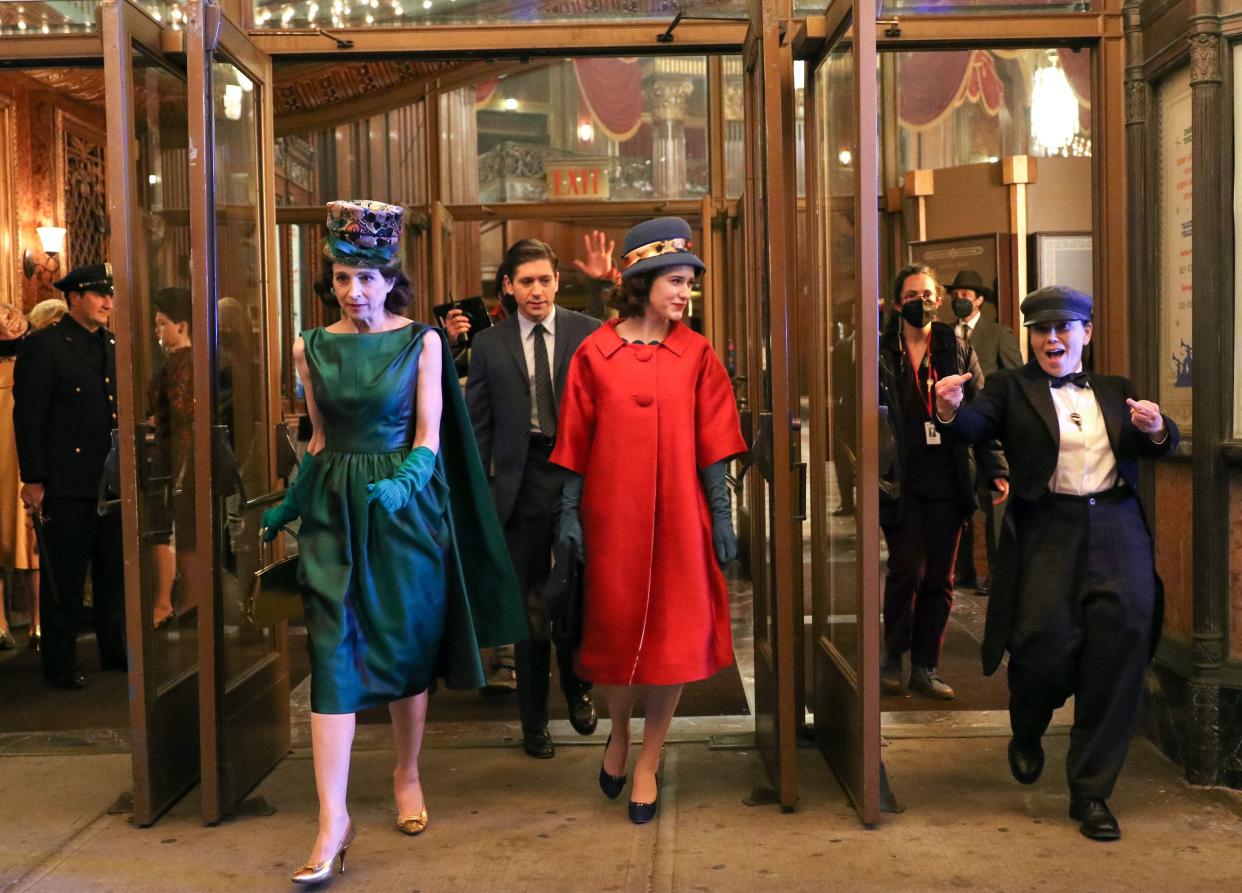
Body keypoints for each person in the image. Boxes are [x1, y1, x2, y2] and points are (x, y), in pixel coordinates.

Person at [260, 200, 527, 885]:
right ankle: (332, 820)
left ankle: (406, 772)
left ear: (390, 278)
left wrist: (406, 483)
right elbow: (317, 438)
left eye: (369, 276)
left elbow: (430, 435)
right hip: (333, 512)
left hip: (405, 510)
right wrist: (293, 498)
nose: (355, 290)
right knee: (331, 652)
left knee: (407, 643)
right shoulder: (309, 346)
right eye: (344, 276)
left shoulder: (423, 343)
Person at [934, 285, 1177, 841]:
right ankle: (1028, 726)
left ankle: (1091, 792)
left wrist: (1158, 429)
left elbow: (1160, 441)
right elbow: (974, 426)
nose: (1052, 339)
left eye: (1064, 328)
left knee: (1119, 650)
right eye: (1042, 330)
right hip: (1049, 530)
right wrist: (948, 411)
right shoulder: (1010, 388)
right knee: (1044, 647)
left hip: (1116, 529)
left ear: (1086, 333)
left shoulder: (1118, 391)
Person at [550, 217, 746, 824]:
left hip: (680, 519)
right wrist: (568, 516)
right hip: (612, 519)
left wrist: (721, 515)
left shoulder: (698, 353)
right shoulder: (596, 353)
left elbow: (714, 442)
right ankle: (617, 734)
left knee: (673, 639)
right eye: (676, 281)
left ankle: (647, 761)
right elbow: (574, 442)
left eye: (690, 283)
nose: (686, 293)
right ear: (641, 282)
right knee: (614, 633)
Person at [465, 238, 602, 759]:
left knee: (572, 598)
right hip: (517, 488)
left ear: (556, 282)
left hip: (574, 480)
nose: (537, 290)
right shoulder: (489, 345)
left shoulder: (586, 333)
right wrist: (477, 499)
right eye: (526, 282)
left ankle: (578, 687)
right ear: (507, 286)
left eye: (545, 280)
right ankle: (533, 724)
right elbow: (478, 429)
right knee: (528, 612)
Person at [878, 265, 1007, 701]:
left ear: (940, 298)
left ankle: (927, 666)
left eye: (928, 294)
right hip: (901, 478)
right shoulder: (883, 353)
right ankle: (894, 655)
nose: (922, 301)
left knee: (940, 578)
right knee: (903, 570)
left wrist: (996, 468)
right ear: (898, 304)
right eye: (912, 295)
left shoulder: (956, 347)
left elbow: (982, 413)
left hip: (949, 476)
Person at [13, 263, 126, 689]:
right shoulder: (46, 346)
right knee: (66, 575)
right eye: (98, 294)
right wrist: (35, 478)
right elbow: (29, 416)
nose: (107, 302)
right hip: (68, 480)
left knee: (113, 574)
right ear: (73, 297)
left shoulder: (113, 344)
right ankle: (59, 664)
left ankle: (114, 651)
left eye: (109, 294)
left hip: (109, 479)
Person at [947, 269, 1022, 594]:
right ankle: (962, 570)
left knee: (994, 502)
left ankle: (996, 572)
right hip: (957, 431)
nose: (960, 299)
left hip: (992, 431)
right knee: (961, 500)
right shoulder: (945, 335)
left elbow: (1016, 377)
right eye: (956, 294)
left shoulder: (998, 333)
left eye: (967, 294)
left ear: (979, 299)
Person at [145, 287, 194, 627]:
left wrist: (154, 420)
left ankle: (163, 604)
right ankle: (182, 602)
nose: (158, 331)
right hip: (178, 455)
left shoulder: (181, 363)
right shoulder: (184, 362)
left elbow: (183, 411)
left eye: (163, 324)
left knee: (165, 532)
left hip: (175, 455)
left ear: (183, 326)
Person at [0, 302, 35, 650]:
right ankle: (0, 621)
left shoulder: (31, 366)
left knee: (30, 542)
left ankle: (38, 621)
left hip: (24, 459)